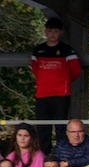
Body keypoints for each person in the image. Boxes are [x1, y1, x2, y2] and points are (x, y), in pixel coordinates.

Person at [31, 17, 80, 154]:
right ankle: (43, 156)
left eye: (56, 31)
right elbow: (36, 70)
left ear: (61, 33)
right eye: (50, 31)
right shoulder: (38, 50)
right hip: (42, 94)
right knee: (43, 128)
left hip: (61, 94)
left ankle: (61, 154)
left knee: (60, 127)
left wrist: (63, 82)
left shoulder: (67, 50)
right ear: (45, 32)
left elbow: (75, 70)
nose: (53, 34)